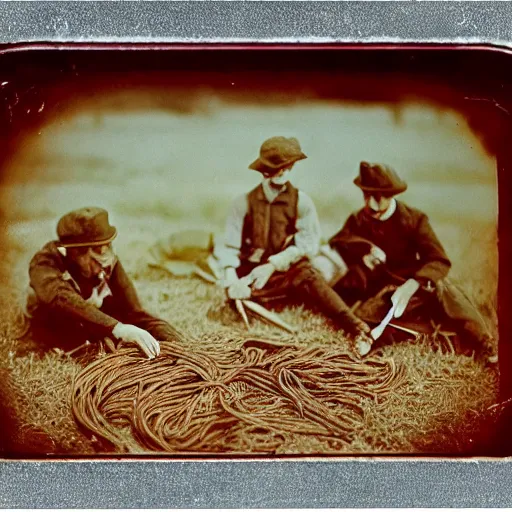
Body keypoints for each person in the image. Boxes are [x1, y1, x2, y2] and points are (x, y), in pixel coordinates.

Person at [213, 136, 373, 355]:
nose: (281, 173)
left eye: (287, 168)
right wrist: (232, 280)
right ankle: (277, 297)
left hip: (285, 271)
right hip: (252, 275)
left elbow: (308, 244)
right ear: (263, 170)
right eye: (275, 169)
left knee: (308, 274)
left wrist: (272, 265)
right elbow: (230, 247)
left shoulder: (302, 201)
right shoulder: (242, 203)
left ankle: (357, 327)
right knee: (237, 297)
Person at [328, 161, 497, 362]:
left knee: (445, 289)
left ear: (392, 195)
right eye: (366, 195)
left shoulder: (414, 219)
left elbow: (438, 259)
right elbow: (338, 240)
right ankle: (424, 329)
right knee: (369, 320)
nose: (371, 204)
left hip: (412, 285)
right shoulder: (359, 218)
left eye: (378, 197)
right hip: (380, 292)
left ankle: (482, 341)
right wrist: (364, 250)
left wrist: (412, 284)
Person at [23, 207, 182, 359]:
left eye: (107, 248)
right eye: (97, 257)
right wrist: (118, 329)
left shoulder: (107, 263)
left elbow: (135, 312)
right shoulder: (44, 263)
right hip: (56, 322)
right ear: (75, 252)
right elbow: (61, 298)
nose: (103, 268)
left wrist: (176, 342)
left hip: (95, 319)